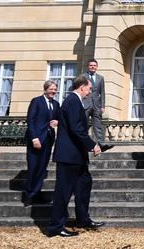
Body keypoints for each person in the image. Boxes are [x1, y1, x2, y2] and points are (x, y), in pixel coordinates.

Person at [47, 75, 103, 238]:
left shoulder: (75, 101)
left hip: (76, 156)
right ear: (82, 87)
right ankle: (56, 226)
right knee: (63, 191)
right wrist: (92, 145)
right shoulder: (72, 101)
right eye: (89, 88)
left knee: (84, 183)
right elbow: (76, 129)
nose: (90, 91)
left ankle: (83, 219)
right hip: (68, 155)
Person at [23, 80, 60, 207]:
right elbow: (30, 120)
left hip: (48, 140)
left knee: (42, 168)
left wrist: (57, 122)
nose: (53, 91)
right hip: (36, 140)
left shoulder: (56, 104)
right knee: (33, 167)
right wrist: (34, 138)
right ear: (45, 89)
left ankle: (36, 193)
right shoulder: (36, 101)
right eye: (51, 89)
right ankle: (28, 196)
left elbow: (60, 117)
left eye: (55, 89)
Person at [82, 59, 113, 152]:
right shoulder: (83, 77)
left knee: (98, 125)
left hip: (97, 105)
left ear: (97, 67)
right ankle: (84, 143)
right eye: (91, 65)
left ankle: (101, 143)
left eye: (94, 65)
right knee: (84, 124)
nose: (93, 67)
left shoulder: (100, 78)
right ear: (88, 66)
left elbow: (102, 92)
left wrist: (103, 105)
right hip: (85, 104)